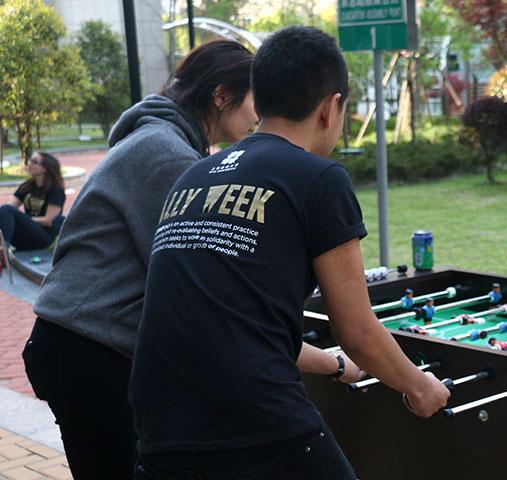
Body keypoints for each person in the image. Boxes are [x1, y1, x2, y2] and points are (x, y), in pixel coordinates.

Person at [129, 26, 450, 479]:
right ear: (330, 108)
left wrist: (334, 365)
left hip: (158, 419)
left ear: (258, 101)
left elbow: (228, 323)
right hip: (254, 418)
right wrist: (420, 387)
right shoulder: (319, 179)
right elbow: (356, 329)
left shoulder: (193, 177)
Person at [21, 39, 259, 480]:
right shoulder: (166, 154)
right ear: (221, 95)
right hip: (88, 348)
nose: (257, 115)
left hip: (79, 342)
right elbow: (189, 276)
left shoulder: (158, 140)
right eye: (253, 100)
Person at [0, 151, 66, 252]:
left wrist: (26, 219)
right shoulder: (27, 186)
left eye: (34, 162)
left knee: (7, 210)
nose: (29, 163)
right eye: (30, 160)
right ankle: (3, 248)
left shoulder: (56, 190)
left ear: (45, 168)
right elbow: (8, 210)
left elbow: (48, 221)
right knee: (4, 211)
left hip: (43, 237)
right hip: (25, 235)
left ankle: (3, 249)